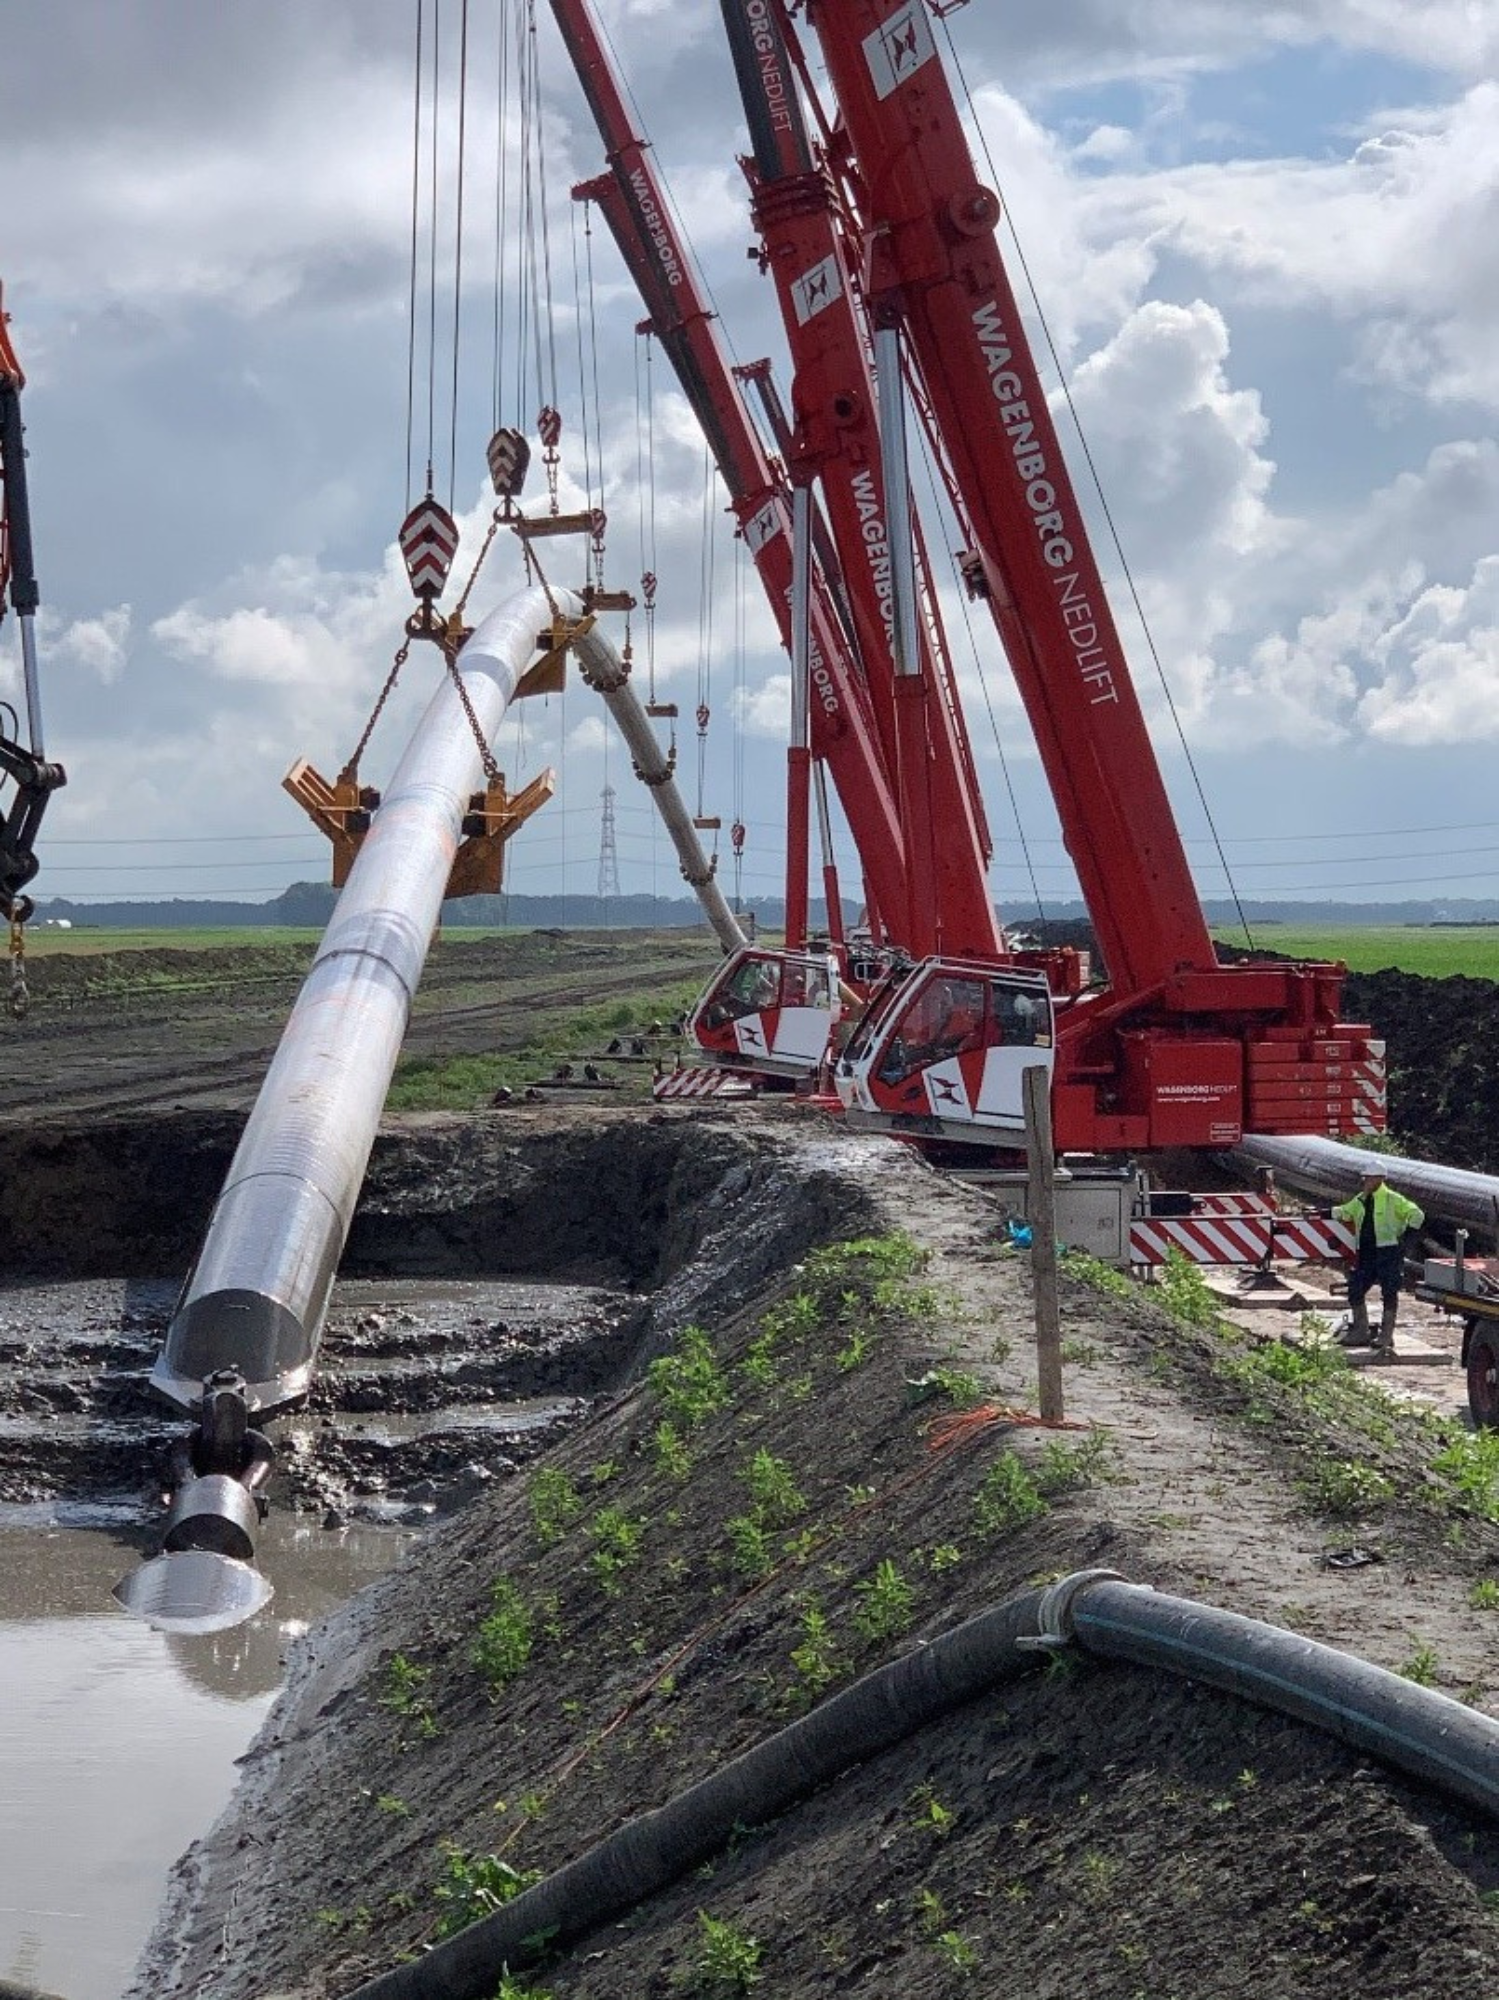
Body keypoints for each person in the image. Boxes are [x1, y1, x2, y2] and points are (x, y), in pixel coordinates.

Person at [1333, 1168, 1425, 1359]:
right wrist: (1327, 1213)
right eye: (1364, 1178)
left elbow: (1417, 1215)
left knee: (1389, 1291)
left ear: (1379, 1179)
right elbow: (1346, 1212)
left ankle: (1386, 1335)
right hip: (1367, 1252)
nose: (1365, 1181)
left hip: (1388, 1252)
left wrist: (1406, 1239)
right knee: (1355, 1288)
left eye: (1368, 1178)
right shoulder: (1361, 1199)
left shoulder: (1393, 1199)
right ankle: (1361, 1331)